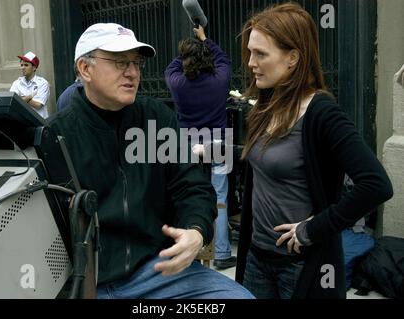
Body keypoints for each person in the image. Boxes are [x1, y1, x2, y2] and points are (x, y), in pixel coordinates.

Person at [48, 23, 253, 299]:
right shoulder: (58, 135)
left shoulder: (156, 120)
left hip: (157, 271)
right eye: (120, 62)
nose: (132, 72)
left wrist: (195, 230)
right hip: (87, 281)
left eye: (136, 63)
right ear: (85, 69)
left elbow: (192, 186)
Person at [234, 2, 393, 299]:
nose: (251, 63)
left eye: (260, 54)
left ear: (293, 57)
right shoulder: (266, 106)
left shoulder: (322, 113)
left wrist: (313, 228)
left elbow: (376, 185)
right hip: (257, 260)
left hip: (301, 267)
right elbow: (268, 161)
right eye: (250, 52)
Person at [165, 26, 236, 270]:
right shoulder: (220, 80)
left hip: (188, 144)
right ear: (206, 59)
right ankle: (223, 253)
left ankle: (190, 250)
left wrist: (187, 49)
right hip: (218, 144)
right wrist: (205, 40)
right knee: (220, 198)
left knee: (189, 193)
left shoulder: (177, 83)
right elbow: (223, 58)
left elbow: (171, 67)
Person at [10, 51, 50, 118]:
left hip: (39, 123)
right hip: (23, 122)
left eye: (26, 65)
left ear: (34, 67)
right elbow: (12, 102)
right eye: (21, 65)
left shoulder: (43, 83)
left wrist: (20, 98)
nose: (22, 67)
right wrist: (29, 97)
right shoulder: (16, 83)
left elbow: (38, 105)